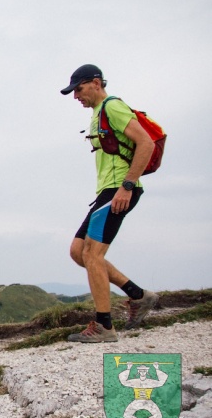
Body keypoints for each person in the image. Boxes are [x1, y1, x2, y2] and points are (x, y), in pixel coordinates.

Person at [60, 64, 160, 343]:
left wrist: (127, 186)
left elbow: (146, 143)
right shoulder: (97, 113)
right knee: (78, 251)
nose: (75, 96)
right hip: (107, 190)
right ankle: (139, 296)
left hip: (119, 189)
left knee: (92, 255)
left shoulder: (112, 107)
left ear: (95, 83)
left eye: (78, 89)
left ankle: (105, 326)